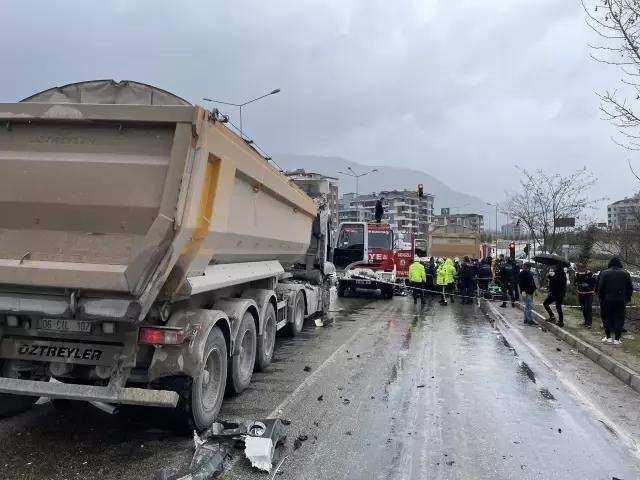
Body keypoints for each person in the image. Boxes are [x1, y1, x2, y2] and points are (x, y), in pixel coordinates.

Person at [597, 257, 633, 345]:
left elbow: (600, 288)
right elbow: (630, 288)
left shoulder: (604, 273)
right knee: (619, 318)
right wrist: (627, 298)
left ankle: (608, 337)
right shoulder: (626, 274)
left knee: (606, 317)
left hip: (607, 300)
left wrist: (601, 298)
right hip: (620, 300)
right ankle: (617, 339)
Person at [574, 264, 597, 328]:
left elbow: (595, 283)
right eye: (580, 268)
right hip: (581, 293)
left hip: (589, 293)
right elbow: (575, 282)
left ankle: (589, 322)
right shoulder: (577, 274)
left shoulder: (591, 274)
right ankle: (585, 320)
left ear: (586, 268)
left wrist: (588, 286)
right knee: (583, 308)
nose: (581, 269)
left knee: (588, 308)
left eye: (583, 267)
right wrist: (577, 284)